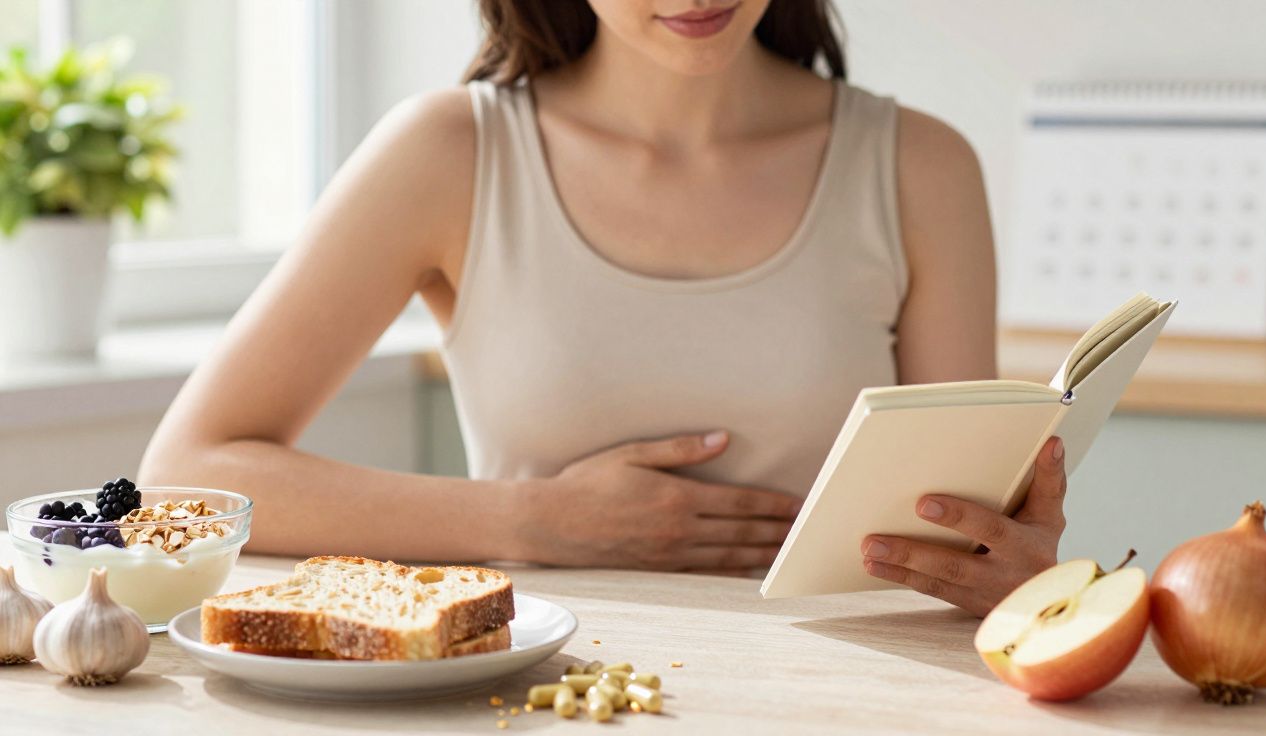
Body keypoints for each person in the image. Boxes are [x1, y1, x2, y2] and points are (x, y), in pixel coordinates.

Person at [141, 0, 1067, 617]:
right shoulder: (446, 153)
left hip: (835, 697)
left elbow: (952, 545)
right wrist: (534, 521)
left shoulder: (920, 167)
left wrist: (1003, 566)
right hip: (536, 696)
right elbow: (188, 473)